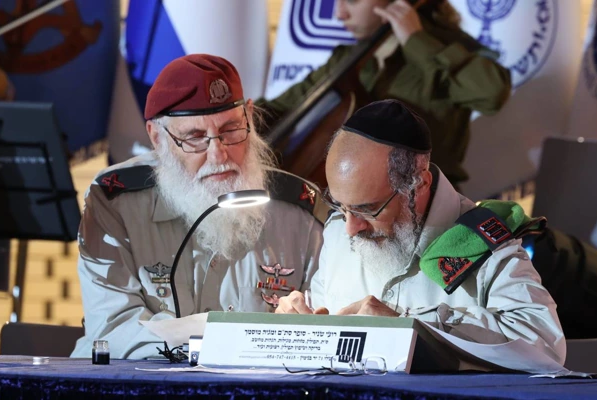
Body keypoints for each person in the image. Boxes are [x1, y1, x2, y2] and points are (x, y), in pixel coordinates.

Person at [71, 54, 324, 359]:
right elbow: (113, 328)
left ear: (249, 116)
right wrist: (224, 346)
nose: (219, 154)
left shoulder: (299, 211)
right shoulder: (117, 202)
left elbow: (328, 320)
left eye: (230, 130)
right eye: (195, 137)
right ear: (157, 137)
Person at [277, 99, 565, 365]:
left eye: (368, 209)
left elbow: (546, 348)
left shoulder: (483, 243)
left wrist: (410, 327)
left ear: (419, 184)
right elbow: (323, 327)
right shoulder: (338, 231)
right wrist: (299, 322)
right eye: (340, 206)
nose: (351, 229)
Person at [258, 0, 511, 186]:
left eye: (352, 1)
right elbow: (279, 108)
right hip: (347, 208)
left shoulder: (448, 46)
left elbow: (491, 93)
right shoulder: (346, 58)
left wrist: (415, 39)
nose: (340, 13)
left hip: (426, 209)